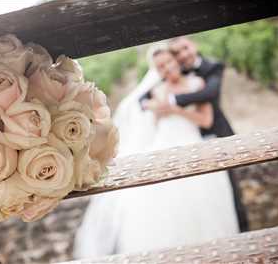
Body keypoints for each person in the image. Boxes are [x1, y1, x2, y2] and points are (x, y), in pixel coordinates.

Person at [74, 46, 239, 257]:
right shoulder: (156, 92)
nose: (167, 68)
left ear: (176, 61)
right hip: (164, 147)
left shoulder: (196, 83)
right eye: (161, 66)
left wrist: (175, 109)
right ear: (156, 71)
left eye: (169, 62)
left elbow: (206, 120)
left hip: (192, 144)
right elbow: (146, 124)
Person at [140, 37, 248, 233]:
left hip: (215, 135)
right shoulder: (159, 88)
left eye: (185, 48)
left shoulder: (212, 68)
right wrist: (150, 104)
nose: (183, 55)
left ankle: (243, 231)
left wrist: (173, 104)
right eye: (177, 53)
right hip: (173, 143)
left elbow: (209, 94)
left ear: (193, 44)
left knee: (228, 193)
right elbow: (142, 98)